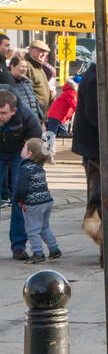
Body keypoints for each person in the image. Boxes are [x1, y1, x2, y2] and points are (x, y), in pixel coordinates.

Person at [72, 49, 108, 202]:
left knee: (96, 182)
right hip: (93, 141)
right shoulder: (95, 80)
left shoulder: (98, 76)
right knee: (96, 182)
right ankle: (95, 217)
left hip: (92, 140)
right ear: (103, 60)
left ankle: (96, 216)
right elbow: (95, 114)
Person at [0, 89, 41, 258]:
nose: (0, 116)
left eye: (3, 113)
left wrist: (29, 156)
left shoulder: (27, 116)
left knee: (19, 197)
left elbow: (36, 137)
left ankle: (18, 246)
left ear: (14, 111)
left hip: (19, 151)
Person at [13, 137, 59, 263]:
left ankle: (38, 253)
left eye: (24, 148)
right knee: (44, 226)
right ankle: (54, 249)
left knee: (32, 229)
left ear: (29, 154)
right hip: (47, 200)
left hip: (34, 203)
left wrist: (18, 200)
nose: (21, 150)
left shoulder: (25, 169)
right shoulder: (39, 168)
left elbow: (22, 187)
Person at [25, 39, 52, 117]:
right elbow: (26, 92)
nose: (44, 55)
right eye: (41, 51)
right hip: (33, 115)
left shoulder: (39, 67)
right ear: (30, 50)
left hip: (41, 114)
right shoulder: (27, 66)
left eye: (45, 53)